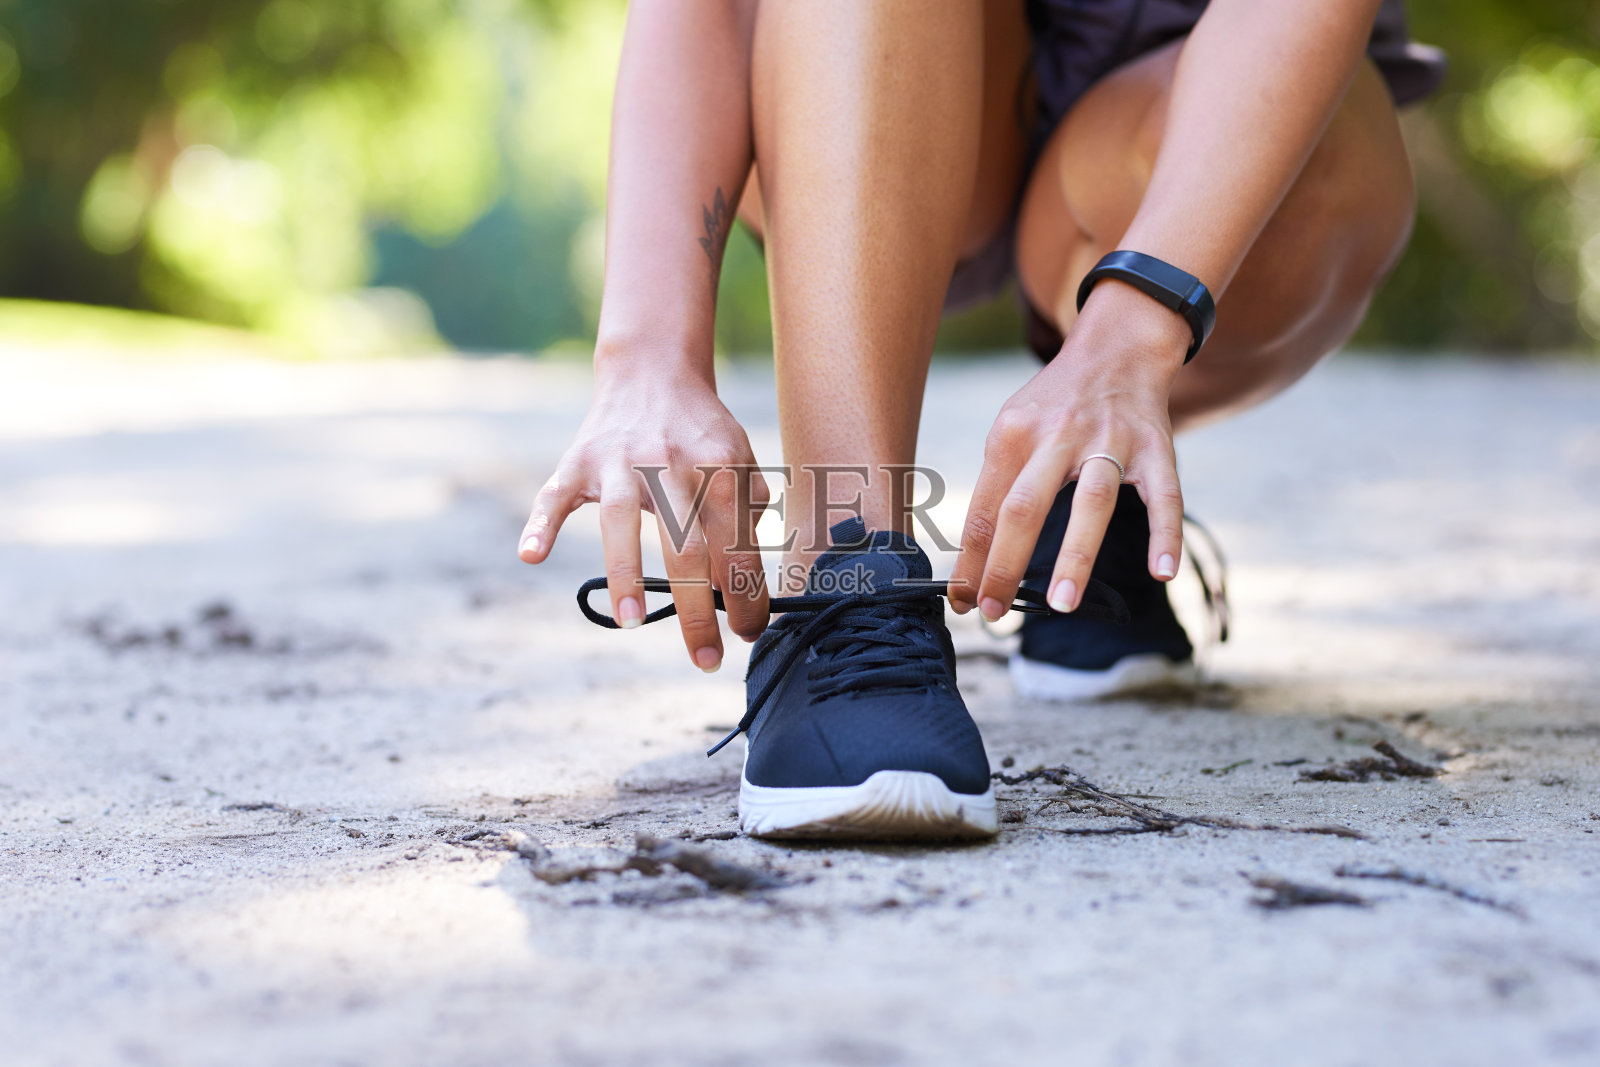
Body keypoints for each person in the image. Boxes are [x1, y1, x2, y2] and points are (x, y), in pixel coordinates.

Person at [518, 0, 1444, 840]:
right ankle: (849, 565)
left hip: (1175, 87)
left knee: (1329, 172)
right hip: (865, 62)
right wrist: (647, 355)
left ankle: (1083, 481)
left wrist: (1132, 338)